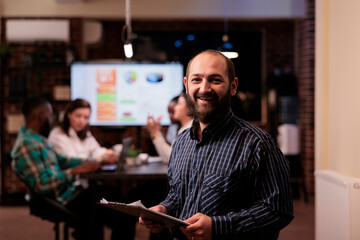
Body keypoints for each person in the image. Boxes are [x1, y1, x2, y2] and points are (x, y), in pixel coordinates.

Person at [140, 50, 294, 240]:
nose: (205, 88)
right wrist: (163, 209)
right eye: (197, 80)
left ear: (233, 86)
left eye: (215, 80)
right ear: (186, 85)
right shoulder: (181, 143)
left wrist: (217, 226)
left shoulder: (258, 144)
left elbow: (279, 210)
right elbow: (178, 196)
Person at [11, 97, 136, 240]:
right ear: (41, 116)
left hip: (69, 191)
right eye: (50, 114)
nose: (53, 118)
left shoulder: (37, 139)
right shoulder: (27, 145)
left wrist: (96, 161)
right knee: (122, 211)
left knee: (118, 202)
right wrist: (76, 171)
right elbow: (42, 184)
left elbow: (64, 159)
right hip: (61, 198)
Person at [48, 98, 118, 162]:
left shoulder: (85, 133)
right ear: (69, 114)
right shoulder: (57, 135)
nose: (82, 121)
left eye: (86, 117)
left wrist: (108, 153)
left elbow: (95, 149)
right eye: (78, 116)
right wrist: (100, 159)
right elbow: (73, 161)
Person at [146, 92, 193, 163]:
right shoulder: (185, 128)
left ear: (189, 108)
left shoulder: (190, 130)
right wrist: (156, 132)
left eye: (179, 104)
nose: (175, 107)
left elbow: (170, 157)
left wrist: (155, 132)